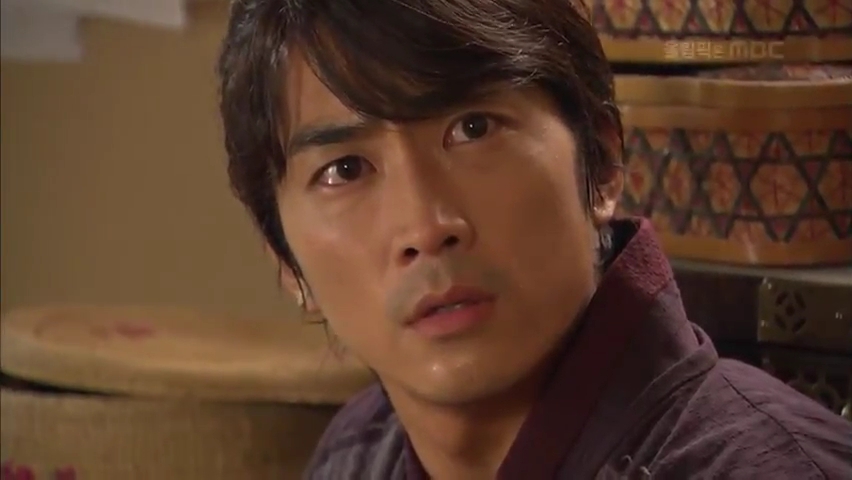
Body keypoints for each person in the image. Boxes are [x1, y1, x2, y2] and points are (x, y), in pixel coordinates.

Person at [216, 1, 852, 478]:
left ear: (601, 160)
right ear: (287, 264)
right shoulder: (358, 456)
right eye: (345, 170)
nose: (425, 227)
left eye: (473, 128)